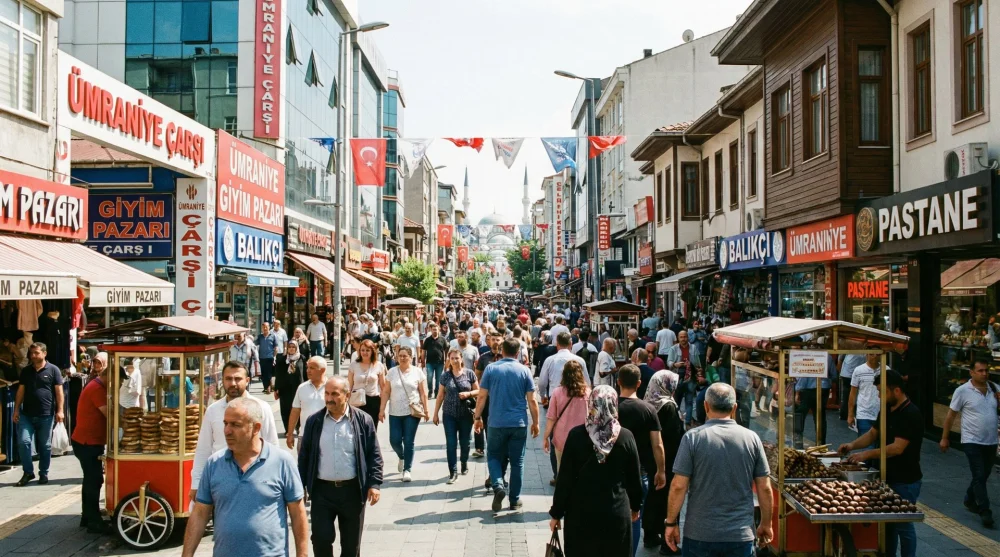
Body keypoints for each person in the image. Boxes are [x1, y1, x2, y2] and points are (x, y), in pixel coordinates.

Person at [182, 397, 308, 557]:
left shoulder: (282, 461)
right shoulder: (214, 464)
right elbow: (200, 514)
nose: (227, 431)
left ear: (256, 428)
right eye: (225, 423)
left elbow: (297, 513)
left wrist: (302, 554)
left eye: (235, 425)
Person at [664, 383, 773, 556]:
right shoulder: (752, 438)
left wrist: (671, 523)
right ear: (734, 408)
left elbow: (678, 486)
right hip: (740, 535)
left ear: (706, 406)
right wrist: (766, 523)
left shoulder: (692, 438)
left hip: (700, 534)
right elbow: (764, 487)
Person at [548, 385, 643, 557]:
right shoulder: (626, 437)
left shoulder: (576, 435)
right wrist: (636, 506)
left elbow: (565, 479)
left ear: (591, 404)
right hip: (615, 512)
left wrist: (556, 513)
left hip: (581, 514)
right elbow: (634, 477)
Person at [838, 370, 923, 557]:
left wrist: (866, 454)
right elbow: (872, 434)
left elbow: (897, 448)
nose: (878, 396)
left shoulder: (910, 414)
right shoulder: (886, 409)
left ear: (897, 390)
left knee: (903, 526)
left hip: (905, 479)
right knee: (888, 526)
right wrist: (852, 445)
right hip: (886, 477)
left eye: (881, 392)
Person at [297, 377, 383, 557]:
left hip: (352, 492)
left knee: (351, 545)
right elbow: (304, 456)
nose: (329, 398)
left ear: (347, 395)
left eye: (334, 394)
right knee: (320, 539)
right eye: (327, 393)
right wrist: (300, 486)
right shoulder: (314, 421)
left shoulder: (363, 420)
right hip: (322, 492)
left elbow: (373, 454)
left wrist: (374, 484)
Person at [191, 361, 280, 501]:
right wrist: (196, 484)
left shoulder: (262, 408)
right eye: (228, 379)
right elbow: (203, 450)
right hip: (219, 483)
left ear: (247, 380)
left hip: (255, 481)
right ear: (222, 380)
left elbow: (272, 446)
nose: (233, 383)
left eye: (238, 379)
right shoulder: (213, 410)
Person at [474, 338, 540, 512]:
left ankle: (497, 485)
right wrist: (536, 422)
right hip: (518, 423)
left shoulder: (491, 369)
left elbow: (482, 396)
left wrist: (477, 417)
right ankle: (515, 499)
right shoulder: (524, 371)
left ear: (502, 351)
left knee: (494, 456)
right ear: (517, 353)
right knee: (517, 462)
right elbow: (532, 400)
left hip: (496, 422)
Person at [939, 358, 998, 528]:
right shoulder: (962, 391)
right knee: (979, 474)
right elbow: (951, 415)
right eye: (980, 371)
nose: (984, 374)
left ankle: (969, 498)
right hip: (971, 440)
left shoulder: (994, 388)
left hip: (991, 440)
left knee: (984, 474)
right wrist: (944, 437)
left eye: (986, 370)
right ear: (971, 372)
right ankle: (985, 510)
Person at [616, 364, 667, 555]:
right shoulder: (648, 409)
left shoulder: (611, 407)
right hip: (640, 471)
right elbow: (657, 444)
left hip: (613, 470)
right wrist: (661, 471)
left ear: (618, 382)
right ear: (639, 383)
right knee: (635, 515)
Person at [641, 371, 684, 554]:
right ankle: (669, 544)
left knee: (653, 495)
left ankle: (650, 535)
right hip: (668, 461)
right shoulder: (669, 407)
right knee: (669, 500)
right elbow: (673, 438)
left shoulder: (648, 403)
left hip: (652, 459)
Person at [13, 342, 64, 486]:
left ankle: (43, 473)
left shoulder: (53, 370)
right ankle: (28, 472)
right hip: (26, 415)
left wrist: (60, 411)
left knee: (45, 446)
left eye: (36, 353)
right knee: (23, 442)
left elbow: (59, 392)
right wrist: (16, 409)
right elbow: (21, 391)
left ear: (44, 353)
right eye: (32, 353)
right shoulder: (26, 371)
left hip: (46, 415)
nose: (33, 356)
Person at [379, 346, 429, 482]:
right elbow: (386, 392)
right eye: (400, 356)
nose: (402, 358)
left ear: (411, 357)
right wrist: (382, 410)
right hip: (395, 412)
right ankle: (402, 456)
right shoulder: (392, 372)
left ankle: (407, 469)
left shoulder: (417, 372)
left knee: (408, 441)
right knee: (394, 440)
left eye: (405, 356)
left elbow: (423, 392)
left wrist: (426, 410)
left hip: (411, 412)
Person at [71, 351, 108, 532]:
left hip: (87, 441)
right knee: (94, 479)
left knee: (91, 479)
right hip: (87, 442)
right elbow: (109, 414)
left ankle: (87, 516)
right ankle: (93, 522)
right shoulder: (97, 389)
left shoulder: (96, 385)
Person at [433, 348, 480, 483]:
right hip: (449, 414)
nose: (454, 360)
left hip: (466, 414)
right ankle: (452, 472)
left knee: (465, 442)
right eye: (452, 358)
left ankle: (464, 461)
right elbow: (440, 395)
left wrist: (468, 394)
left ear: (461, 359)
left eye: (456, 358)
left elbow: (478, 391)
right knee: (451, 443)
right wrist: (435, 413)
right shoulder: (445, 376)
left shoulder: (469, 373)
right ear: (449, 360)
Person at [542, 360, 590, 472]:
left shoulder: (557, 392)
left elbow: (551, 418)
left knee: (562, 468)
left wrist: (545, 437)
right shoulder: (588, 393)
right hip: (582, 438)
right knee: (580, 470)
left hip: (562, 438)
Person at [792, 354, 836, 449]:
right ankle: (821, 444)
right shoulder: (828, 356)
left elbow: (803, 376)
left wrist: (797, 392)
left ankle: (798, 443)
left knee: (799, 416)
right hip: (823, 389)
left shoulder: (807, 356)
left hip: (807, 390)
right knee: (820, 417)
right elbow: (834, 375)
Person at [285, 356, 329, 449]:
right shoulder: (302, 387)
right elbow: (295, 411)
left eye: (312, 368)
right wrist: (290, 434)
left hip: (326, 436)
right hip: (305, 436)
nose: (308, 371)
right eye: (307, 367)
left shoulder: (331, 387)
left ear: (322, 370)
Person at [473, 332, 504, 459]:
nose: (495, 341)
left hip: (501, 396)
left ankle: (497, 447)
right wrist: (478, 392)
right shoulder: (484, 357)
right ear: (489, 341)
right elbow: (477, 375)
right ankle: (480, 448)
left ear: (502, 341)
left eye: (498, 339)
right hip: (486, 395)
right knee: (481, 418)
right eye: (493, 339)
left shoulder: (506, 357)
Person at [539, 332, 592, 403]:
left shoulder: (549, 360)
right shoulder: (580, 360)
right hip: (576, 397)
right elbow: (587, 382)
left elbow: (542, 382)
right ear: (571, 344)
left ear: (557, 344)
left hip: (555, 397)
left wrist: (543, 396)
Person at [666, 330, 702, 428]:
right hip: (678, 377)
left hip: (691, 377)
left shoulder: (693, 348)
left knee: (689, 401)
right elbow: (669, 362)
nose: (683, 339)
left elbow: (698, 362)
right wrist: (675, 364)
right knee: (676, 401)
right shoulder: (673, 348)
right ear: (678, 338)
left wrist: (699, 372)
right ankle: (676, 421)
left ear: (688, 337)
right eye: (681, 337)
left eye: (685, 337)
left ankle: (688, 422)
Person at [348, 340, 387, 430]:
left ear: (372, 351)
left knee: (371, 429)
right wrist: (346, 405)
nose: (364, 352)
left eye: (367, 350)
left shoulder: (379, 365)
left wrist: (382, 409)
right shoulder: (353, 365)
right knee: (357, 430)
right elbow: (349, 386)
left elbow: (383, 388)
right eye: (362, 350)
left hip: (373, 400)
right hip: (357, 401)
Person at [273, 340, 306, 434]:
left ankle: (298, 427)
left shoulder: (302, 359)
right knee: (285, 409)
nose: (291, 349)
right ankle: (288, 430)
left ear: (296, 348)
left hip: (298, 388)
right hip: (285, 389)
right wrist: (276, 389)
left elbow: (305, 373)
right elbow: (278, 375)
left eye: (293, 347)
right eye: (289, 347)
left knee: (299, 408)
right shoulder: (282, 360)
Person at [848, 350, 881, 442]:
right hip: (863, 414)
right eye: (871, 354)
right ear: (866, 354)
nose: (874, 356)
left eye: (877, 354)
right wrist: (850, 414)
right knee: (866, 444)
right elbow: (853, 393)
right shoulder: (858, 370)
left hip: (881, 414)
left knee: (881, 445)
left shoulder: (886, 370)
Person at [420, 323, 449, 395]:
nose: (435, 331)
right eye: (433, 330)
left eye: (436, 329)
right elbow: (423, 351)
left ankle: (437, 392)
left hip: (440, 363)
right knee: (429, 377)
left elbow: (446, 351)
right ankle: (430, 391)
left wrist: (446, 361)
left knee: (438, 379)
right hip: (429, 362)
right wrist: (423, 361)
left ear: (438, 330)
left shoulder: (443, 339)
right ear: (431, 330)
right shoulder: (427, 340)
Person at [257, 322, 278, 394]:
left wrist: (274, 356)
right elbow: (255, 344)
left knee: (269, 372)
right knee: (263, 373)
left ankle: (268, 386)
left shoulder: (273, 336)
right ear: (262, 328)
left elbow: (276, 347)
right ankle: (265, 387)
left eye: (266, 327)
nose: (265, 328)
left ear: (269, 327)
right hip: (262, 357)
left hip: (270, 357)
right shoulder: (260, 336)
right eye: (263, 327)